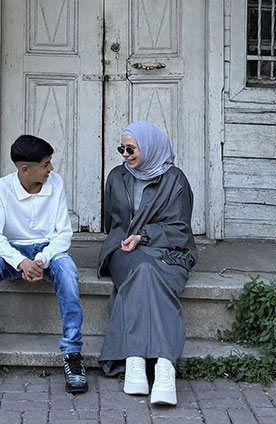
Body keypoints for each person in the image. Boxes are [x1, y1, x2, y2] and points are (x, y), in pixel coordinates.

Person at [0, 134, 87, 395]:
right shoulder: (3, 187)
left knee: (67, 269)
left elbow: (63, 234)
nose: (51, 168)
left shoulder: (56, 182)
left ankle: (72, 353)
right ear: (25, 169)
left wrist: (40, 260)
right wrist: (20, 262)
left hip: (48, 252)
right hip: (12, 253)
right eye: (46, 164)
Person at [97, 120, 196, 406]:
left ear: (150, 147)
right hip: (124, 249)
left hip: (168, 251)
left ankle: (139, 360)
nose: (125, 155)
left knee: (146, 273)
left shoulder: (175, 179)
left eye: (131, 149)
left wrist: (145, 235)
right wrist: (128, 239)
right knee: (141, 268)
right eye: (122, 149)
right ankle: (160, 362)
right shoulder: (117, 176)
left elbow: (180, 229)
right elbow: (111, 223)